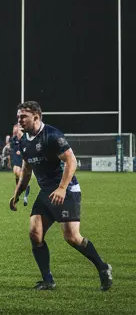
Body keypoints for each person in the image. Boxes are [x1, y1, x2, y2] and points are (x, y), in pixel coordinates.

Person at [10, 101, 112, 291]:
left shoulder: (52, 135)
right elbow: (27, 169)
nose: (19, 120)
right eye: (18, 117)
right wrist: (17, 193)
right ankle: (48, 280)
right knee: (35, 233)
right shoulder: (24, 141)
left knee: (72, 237)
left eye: (23, 116)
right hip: (46, 192)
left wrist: (62, 188)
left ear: (36, 117)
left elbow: (71, 161)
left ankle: (103, 267)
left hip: (67, 190)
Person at [7, 123, 29, 205]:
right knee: (16, 174)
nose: (15, 130)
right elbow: (12, 148)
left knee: (21, 178)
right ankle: (17, 196)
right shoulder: (13, 139)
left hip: (23, 159)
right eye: (14, 129)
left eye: (16, 129)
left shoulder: (25, 138)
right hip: (16, 159)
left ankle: (25, 197)